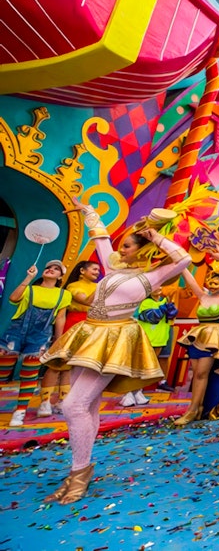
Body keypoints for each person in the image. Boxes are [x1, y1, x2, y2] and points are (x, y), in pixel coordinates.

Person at [41, 203, 190, 504]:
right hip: (88, 334)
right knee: (88, 405)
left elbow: (183, 258)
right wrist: (89, 214)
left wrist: (156, 237)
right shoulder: (114, 268)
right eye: (121, 246)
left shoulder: (151, 277)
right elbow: (101, 240)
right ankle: (78, 469)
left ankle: (80, 471)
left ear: (142, 250)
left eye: (127, 247)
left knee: (73, 405)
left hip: (115, 341)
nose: (120, 251)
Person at [1, 260, 71, 426]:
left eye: (56, 269)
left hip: (40, 336)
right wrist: (28, 278)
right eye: (49, 268)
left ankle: (20, 412)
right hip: (15, 333)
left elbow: (60, 318)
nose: (51, 270)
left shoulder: (64, 294)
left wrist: (58, 341)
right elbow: (13, 298)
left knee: (29, 374)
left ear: (61, 276)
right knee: (2, 372)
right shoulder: (30, 288)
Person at [172, 264, 219, 425]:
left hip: (214, 338)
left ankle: (193, 410)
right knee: (196, 373)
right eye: (211, 283)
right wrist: (180, 263)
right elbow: (190, 280)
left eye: (217, 283)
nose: (213, 286)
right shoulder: (203, 296)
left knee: (202, 373)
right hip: (198, 336)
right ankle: (198, 407)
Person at [38, 261, 103, 417]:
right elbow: (87, 300)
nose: (97, 272)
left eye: (98, 270)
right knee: (58, 364)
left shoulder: (97, 287)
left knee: (72, 365)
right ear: (82, 270)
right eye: (94, 269)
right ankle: (45, 403)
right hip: (73, 325)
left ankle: (63, 400)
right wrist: (103, 286)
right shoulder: (73, 286)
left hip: (91, 326)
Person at [119, 287, 177, 407]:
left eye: (160, 285)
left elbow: (169, 317)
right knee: (139, 365)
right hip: (146, 339)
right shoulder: (145, 302)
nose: (159, 288)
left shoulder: (163, 300)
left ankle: (137, 391)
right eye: (154, 286)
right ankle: (128, 393)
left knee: (147, 368)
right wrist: (164, 308)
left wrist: (171, 309)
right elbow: (152, 317)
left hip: (160, 339)